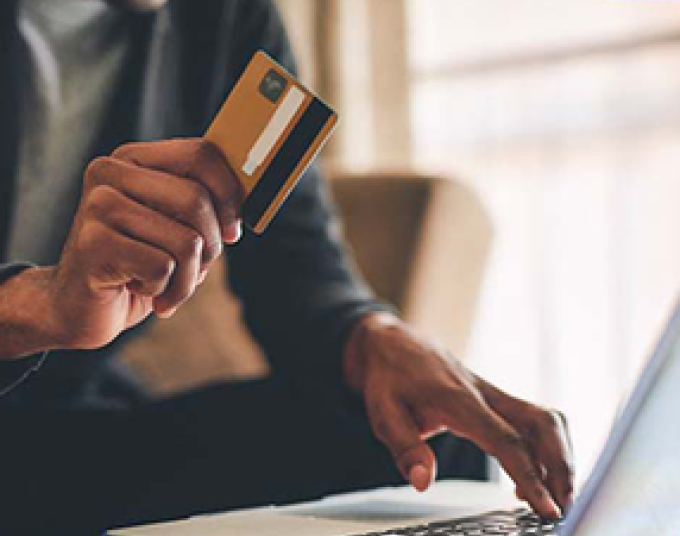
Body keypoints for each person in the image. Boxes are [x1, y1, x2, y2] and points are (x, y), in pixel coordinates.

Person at [0, 0, 573, 534]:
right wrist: (39, 306)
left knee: (440, 449)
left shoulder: (226, 18)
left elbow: (297, 274)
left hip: (71, 429)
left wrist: (375, 337)